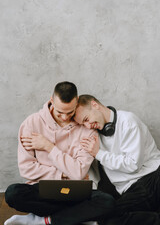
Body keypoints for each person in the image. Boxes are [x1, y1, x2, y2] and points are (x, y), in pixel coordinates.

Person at [4, 82, 115, 225]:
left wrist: (48, 147)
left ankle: (44, 220)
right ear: (52, 101)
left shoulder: (86, 128)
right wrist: (63, 173)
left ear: (76, 104)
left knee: (107, 202)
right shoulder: (31, 123)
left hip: (76, 190)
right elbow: (26, 169)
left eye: (70, 112)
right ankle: (76, 216)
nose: (64, 117)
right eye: (60, 112)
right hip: (42, 189)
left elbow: (79, 173)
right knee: (13, 193)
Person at [74, 94, 160, 225]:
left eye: (86, 119)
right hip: (132, 190)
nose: (88, 126)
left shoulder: (128, 121)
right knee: (106, 220)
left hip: (152, 177)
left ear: (95, 105)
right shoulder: (94, 136)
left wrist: (99, 153)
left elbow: (133, 165)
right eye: (83, 124)